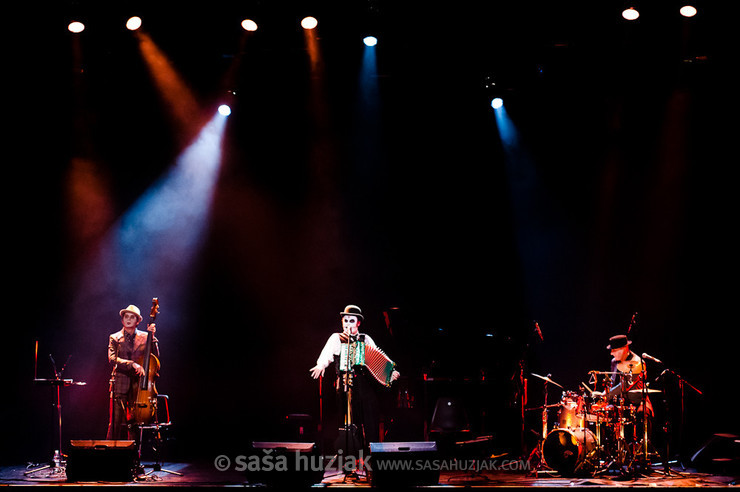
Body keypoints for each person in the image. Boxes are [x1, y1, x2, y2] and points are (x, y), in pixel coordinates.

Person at [310, 305, 400, 452]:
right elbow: (326, 355)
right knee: (350, 424)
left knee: (371, 421)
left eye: (351, 320)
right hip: (345, 384)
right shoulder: (336, 338)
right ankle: (352, 460)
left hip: (364, 384)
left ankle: (372, 460)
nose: (347, 324)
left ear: (358, 323)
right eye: (345, 320)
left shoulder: (365, 339)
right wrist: (321, 365)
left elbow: (379, 357)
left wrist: (391, 371)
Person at [106, 304, 158, 440]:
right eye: (126, 317)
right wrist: (132, 364)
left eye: (132, 317)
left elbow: (156, 356)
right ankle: (110, 455)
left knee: (134, 424)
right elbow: (112, 359)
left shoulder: (146, 336)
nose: (128, 320)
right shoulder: (114, 337)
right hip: (119, 384)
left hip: (139, 386)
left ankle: (133, 456)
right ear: (122, 320)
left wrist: (152, 337)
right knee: (115, 423)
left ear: (138, 321)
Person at [605, 334, 653, 445]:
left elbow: (625, 385)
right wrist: (604, 398)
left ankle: (644, 448)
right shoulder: (614, 362)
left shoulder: (637, 362)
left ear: (624, 349)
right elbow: (613, 384)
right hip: (622, 402)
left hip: (638, 402)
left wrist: (606, 394)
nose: (611, 353)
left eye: (614, 350)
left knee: (643, 413)